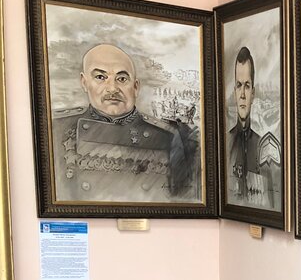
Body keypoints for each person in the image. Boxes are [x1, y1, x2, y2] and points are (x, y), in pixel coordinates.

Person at [52, 43, 199, 203]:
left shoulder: (168, 137)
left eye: (122, 79)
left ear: (135, 87)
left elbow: (183, 201)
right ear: (84, 82)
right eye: (100, 77)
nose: (112, 88)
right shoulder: (56, 129)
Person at [227, 46, 281, 210]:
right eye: (239, 86)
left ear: (253, 93)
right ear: (235, 91)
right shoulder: (225, 144)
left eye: (247, 86)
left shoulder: (264, 148)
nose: (243, 94)